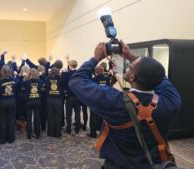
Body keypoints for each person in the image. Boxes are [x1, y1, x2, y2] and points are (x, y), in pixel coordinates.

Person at [69, 41, 181, 169]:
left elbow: (76, 81)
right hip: (154, 164)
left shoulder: (114, 101)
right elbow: (160, 77)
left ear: (132, 77)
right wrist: (131, 57)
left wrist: (96, 58)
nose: (128, 66)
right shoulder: (171, 101)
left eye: (129, 66)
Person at [0, 65, 18, 144]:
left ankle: (3, 139)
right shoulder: (14, 80)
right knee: (11, 120)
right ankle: (11, 138)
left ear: (2, 72)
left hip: (2, 102)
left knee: (3, 121)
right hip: (12, 101)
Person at [62, 59, 81, 134]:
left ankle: (69, 129)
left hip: (69, 96)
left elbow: (63, 83)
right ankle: (77, 129)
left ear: (69, 65)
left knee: (68, 114)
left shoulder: (66, 74)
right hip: (78, 96)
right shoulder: (79, 73)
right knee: (77, 113)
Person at [22, 68, 42, 139]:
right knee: (37, 118)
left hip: (29, 102)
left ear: (29, 74)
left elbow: (22, 85)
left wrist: (24, 77)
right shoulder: (40, 82)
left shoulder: (26, 82)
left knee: (29, 118)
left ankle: (29, 134)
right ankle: (38, 134)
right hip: (37, 101)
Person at [45, 67, 64, 137]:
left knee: (50, 116)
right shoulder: (61, 78)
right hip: (58, 99)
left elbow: (46, 87)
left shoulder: (47, 79)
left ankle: (51, 133)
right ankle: (58, 133)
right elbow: (63, 87)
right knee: (58, 116)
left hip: (49, 99)